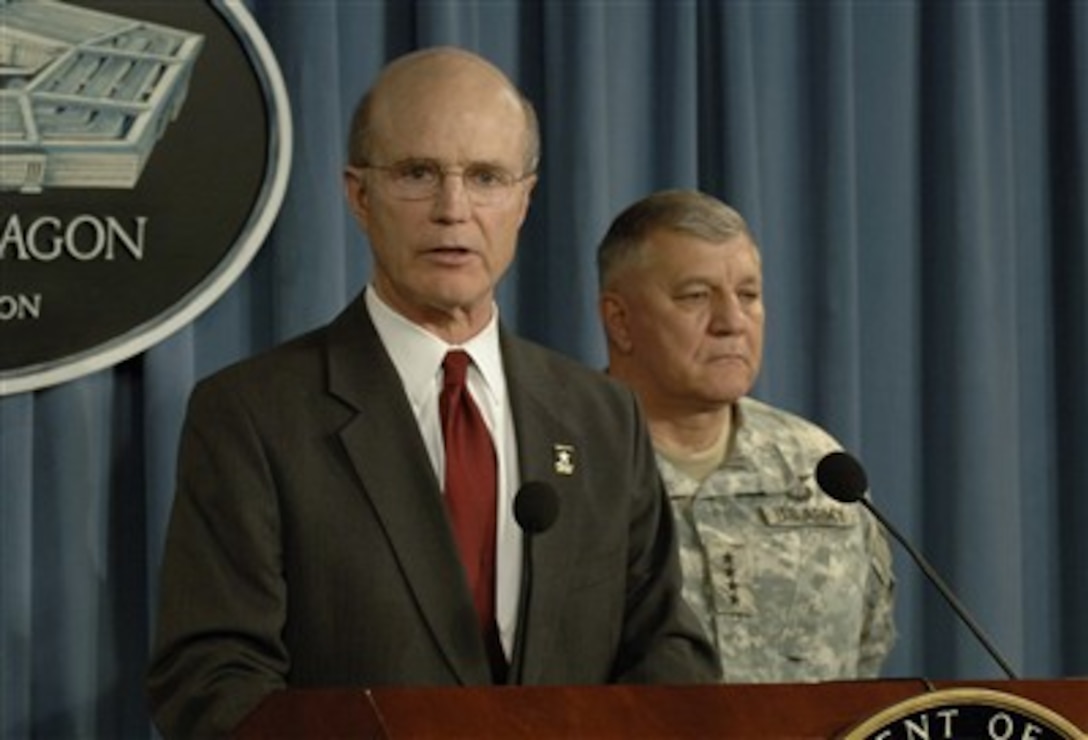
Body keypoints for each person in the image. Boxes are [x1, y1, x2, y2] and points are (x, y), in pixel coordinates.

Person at [146, 49, 719, 738]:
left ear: (523, 200)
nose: (454, 210)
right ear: (359, 195)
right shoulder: (254, 415)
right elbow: (212, 683)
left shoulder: (601, 416)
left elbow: (667, 649)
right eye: (418, 174)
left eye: (485, 178)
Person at [597, 189, 896, 682]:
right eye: (695, 296)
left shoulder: (818, 467)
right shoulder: (566, 462)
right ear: (620, 321)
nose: (731, 322)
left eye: (749, 296)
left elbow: (868, 648)